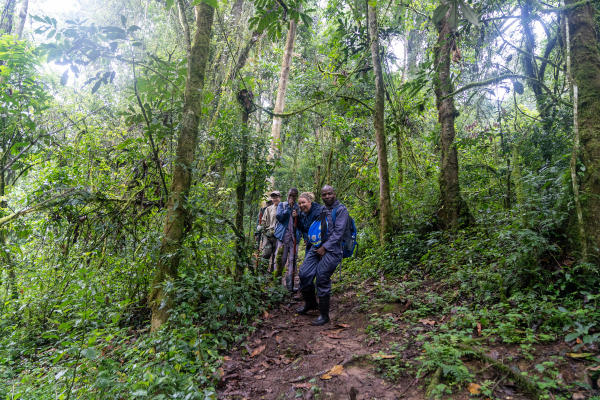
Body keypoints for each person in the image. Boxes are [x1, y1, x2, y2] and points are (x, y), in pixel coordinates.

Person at [297, 185, 349, 326]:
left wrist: (325, 248)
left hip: (332, 250)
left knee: (322, 277)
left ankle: (324, 315)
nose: (327, 196)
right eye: (324, 194)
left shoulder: (341, 210)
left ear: (334, 193)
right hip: (317, 247)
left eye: (329, 194)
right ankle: (311, 303)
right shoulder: (322, 209)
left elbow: (338, 232)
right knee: (304, 274)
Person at [275, 187, 301, 293]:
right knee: (281, 259)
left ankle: (290, 286)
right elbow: (279, 218)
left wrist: (297, 215)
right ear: (288, 195)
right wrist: (288, 210)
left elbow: (302, 221)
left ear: (296, 196)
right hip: (283, 237)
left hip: (294, 237)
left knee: (293, 260)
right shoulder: (282, 205)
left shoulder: (299, 206)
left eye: (294, 195)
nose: (291, 197)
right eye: (290, 195)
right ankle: (277, 285)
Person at [260, 191, 281, 272]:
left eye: (276, 197)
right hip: (268, 233)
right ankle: (263, 271)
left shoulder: (283, 207)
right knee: (266, 253)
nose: (275, 199)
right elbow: (263, 221)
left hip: (279, 234)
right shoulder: (268, 209)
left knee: (276, 255)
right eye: (273, 198)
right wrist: (261, 228)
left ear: (279, 198)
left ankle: (273, 273)